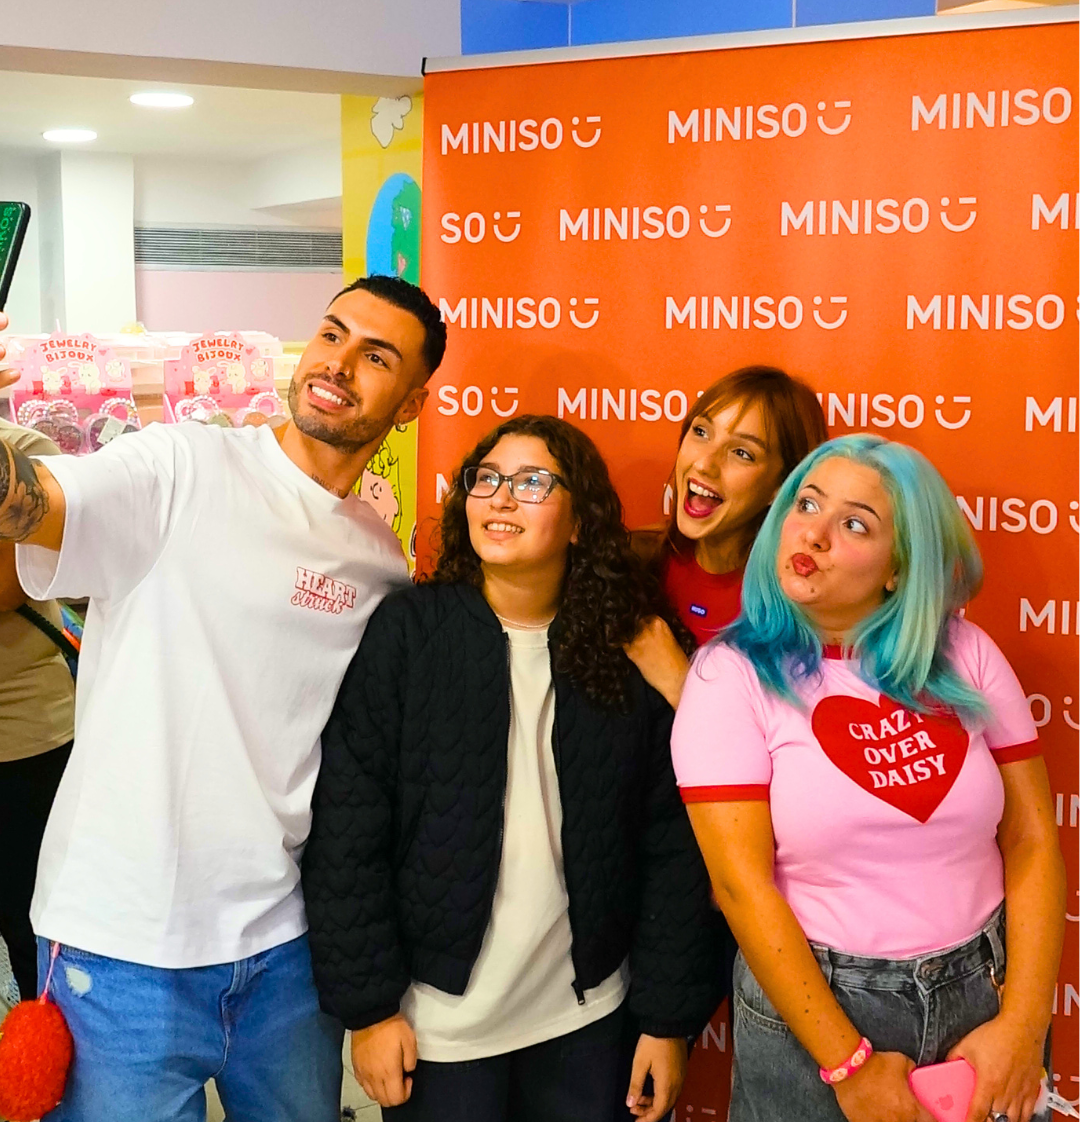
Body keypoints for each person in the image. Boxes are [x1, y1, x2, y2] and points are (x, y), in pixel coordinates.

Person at [0, 274, 446, 1122]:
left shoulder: (380, 562)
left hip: (286, 955)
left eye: (376, 356)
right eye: (331, 334)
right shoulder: (180, 466)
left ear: (412, 403)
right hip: (121, 949)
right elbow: (33, 508)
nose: (338, 363)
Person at [302, 415, 723, 1122]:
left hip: (588, 1021)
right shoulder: (410, 633)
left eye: (532, 482)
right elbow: (349, 826)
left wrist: (666, 1019)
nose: (500, 497)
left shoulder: (626, 644)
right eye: (487, 478)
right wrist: (370, 1010)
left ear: (580, 522)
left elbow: (671, 844)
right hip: (440, 1029)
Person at [671, 434, 1065, 1122]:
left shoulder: (965, 653)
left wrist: (1024, 1023)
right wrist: (847, 1064)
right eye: (806, 505)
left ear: (899, 568)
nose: (814, 534)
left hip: (984, 992)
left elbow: (1032, 841)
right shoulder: (727, 676)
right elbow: (740, 887)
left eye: (854, 524)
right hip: (819, 1011)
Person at [627, 365, 826, 707]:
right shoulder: (634, 562)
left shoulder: (798, 607)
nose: (705, 464)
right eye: (701, 432)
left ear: (782, 486)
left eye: (742, 453)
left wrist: (678, 682)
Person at [0, 419, 75, 1005]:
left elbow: (10, 586)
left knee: (37, 929)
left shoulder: (24, 453)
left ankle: (44, 1050)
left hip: (25, 744)